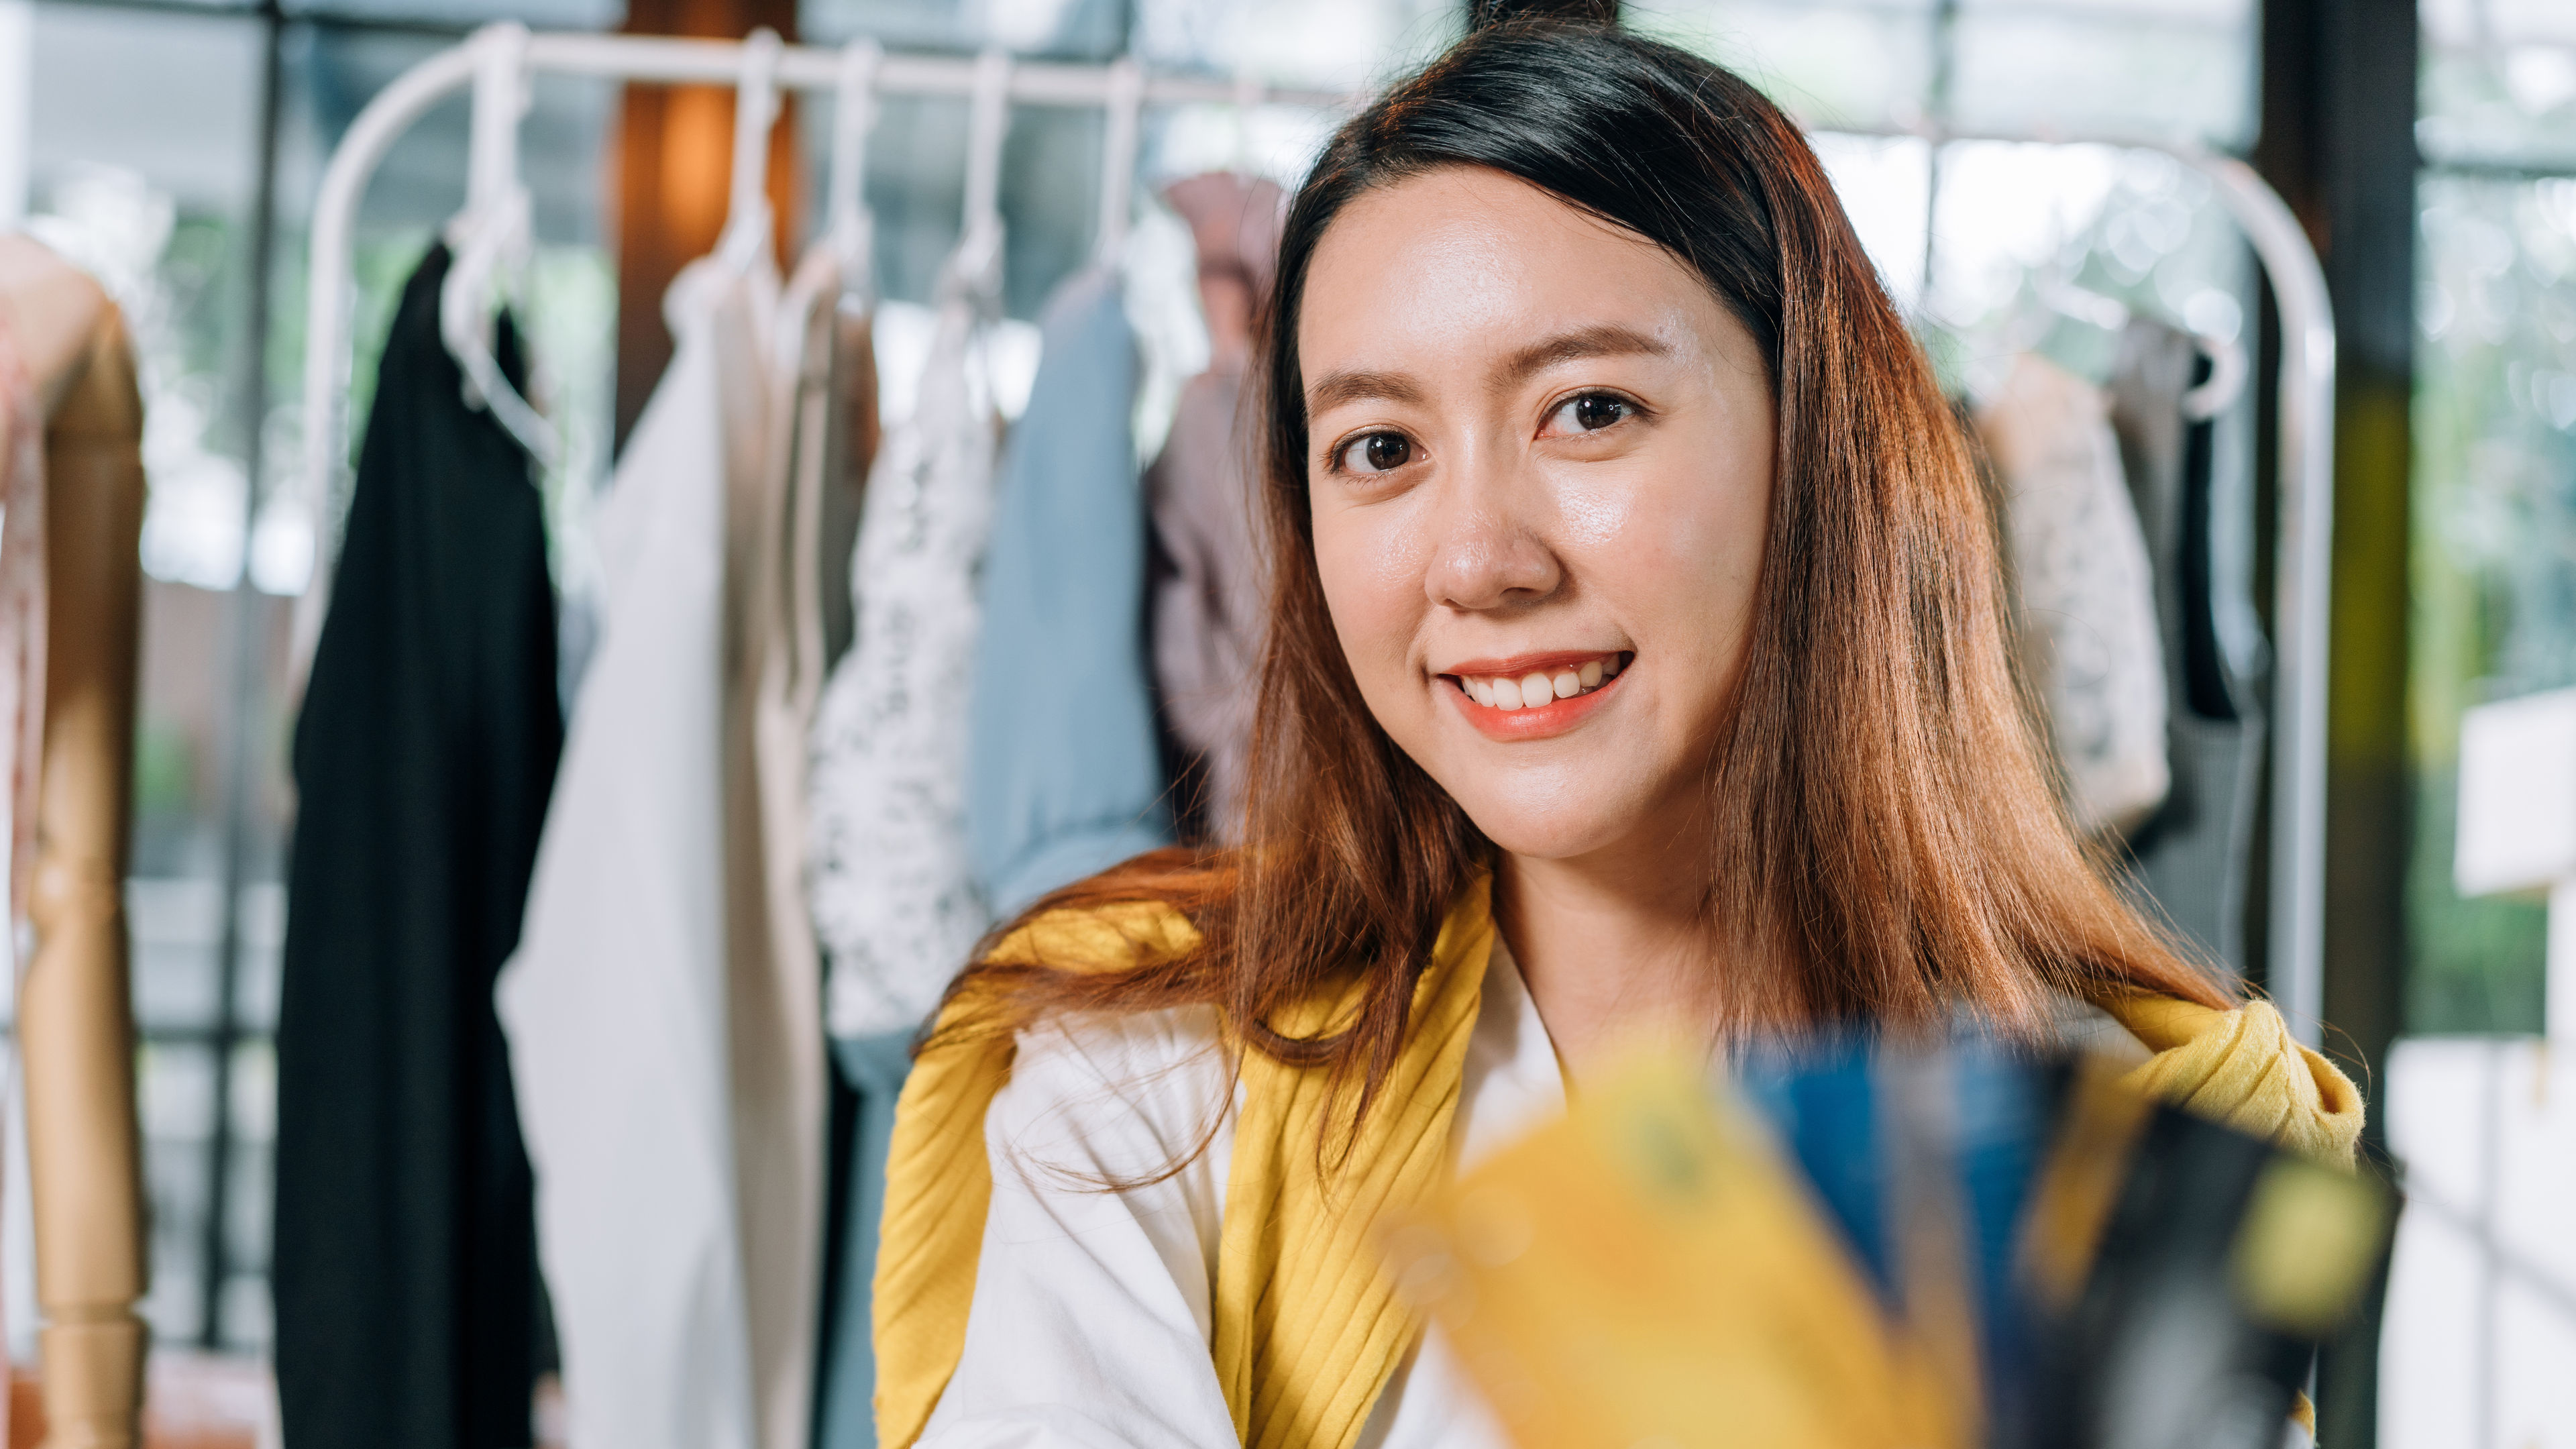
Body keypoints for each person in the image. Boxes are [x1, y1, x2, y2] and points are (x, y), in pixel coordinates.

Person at [868, 14, 2363, 1448]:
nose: (1478, 559)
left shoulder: (2135, 1153)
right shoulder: (1145, 1094)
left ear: (1817, 444)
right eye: (1379, 450)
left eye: (1587, 412)